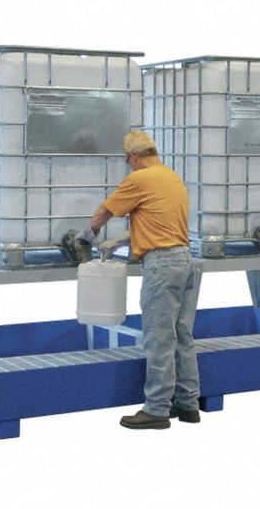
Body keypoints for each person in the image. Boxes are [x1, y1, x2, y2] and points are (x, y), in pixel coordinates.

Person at [76, 130, 201, 430]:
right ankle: (188, 405)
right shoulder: (171, 177)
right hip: (185, 261)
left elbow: (103, 213)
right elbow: (155, 223)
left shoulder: (138, 179)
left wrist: (86, 237)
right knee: (182, 336)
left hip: (161, 266)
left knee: (159, 338)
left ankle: (157, 409)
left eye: (126, 160)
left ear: (132, 157)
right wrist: (118, 242)